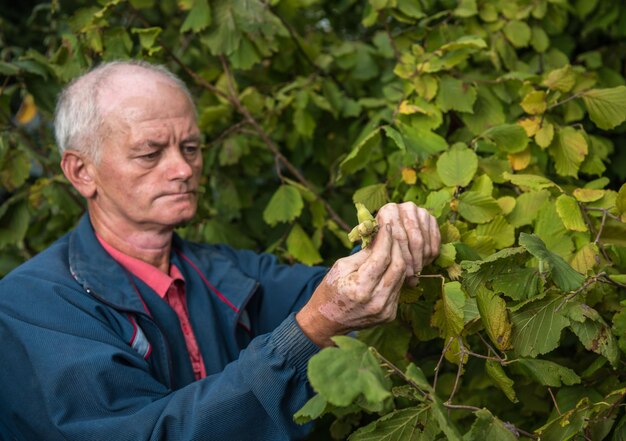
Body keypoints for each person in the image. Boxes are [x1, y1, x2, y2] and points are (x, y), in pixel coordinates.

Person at [0, 60, 440, 440]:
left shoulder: (221, 270)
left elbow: (329, 288)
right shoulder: (32, 306)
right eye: (150, 153)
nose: (183, 168)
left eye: (190, 147)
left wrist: (396, 238)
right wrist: (312, 329)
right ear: (81, 172)